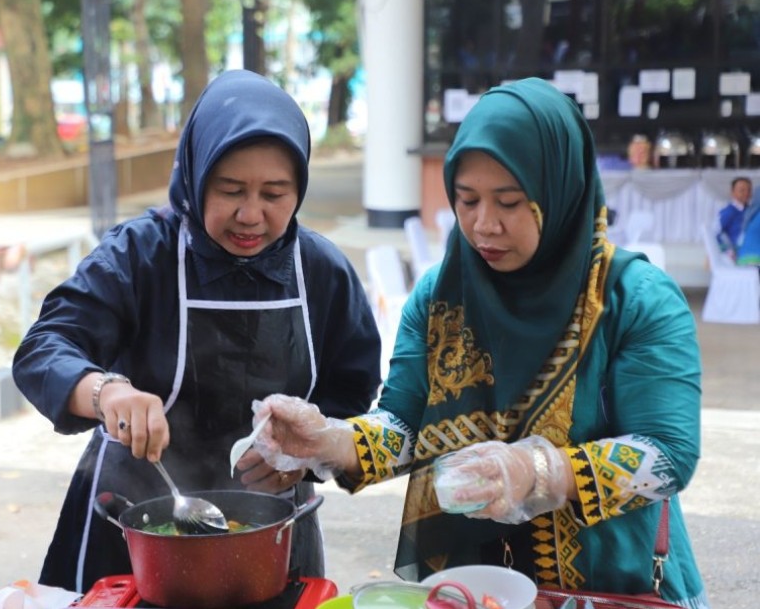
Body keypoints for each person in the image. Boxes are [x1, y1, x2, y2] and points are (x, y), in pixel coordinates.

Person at [255, 77, 709, 607]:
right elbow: (405, 426)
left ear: (559, 191)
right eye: (466, 200)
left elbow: (669, 453)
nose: (484, 225)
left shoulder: (633, 299)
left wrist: (542, 471)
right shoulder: (440, 296)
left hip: (612, 586)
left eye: (510, 202)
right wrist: (330, 441)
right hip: (478, 591)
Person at [11, 68, 382, 594]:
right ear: (196, 175)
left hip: (271, 535)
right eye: (230, 190)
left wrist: (307, 459)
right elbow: (43, 348)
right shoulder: (141, 254)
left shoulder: (321, 271)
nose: (250, 214)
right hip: (134, 527)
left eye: (274, 193)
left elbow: (352, 394)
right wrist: (105, 391)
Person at [716, 175, 752, 259]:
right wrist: (727, 251)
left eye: (749, 190)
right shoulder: (728, 212)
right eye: (742, 190)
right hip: (742, 253)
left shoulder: (750, 210)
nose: (746, 193)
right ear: (733, 192)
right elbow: (715, 233)